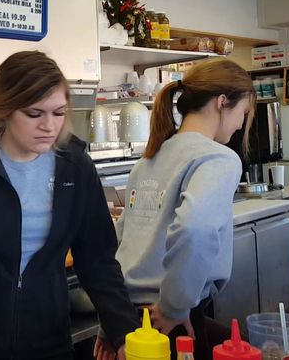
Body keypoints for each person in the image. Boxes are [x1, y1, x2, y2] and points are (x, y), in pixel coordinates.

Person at [0, 51, 139, 360]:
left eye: (58, 113)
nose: (49, 126)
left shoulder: (75, 168)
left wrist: (124, 332)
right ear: (3, 109)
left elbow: (98, 261)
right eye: (34, 114)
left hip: (49, 343)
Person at [106, 59, 255, 360]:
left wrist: (110, 322)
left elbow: (119, 243)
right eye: (243, 113)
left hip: (127, 318)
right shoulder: (218, 159)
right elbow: (194, 228)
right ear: (222, 102)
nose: (241, 124)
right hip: (167, 319)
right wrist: (175, 306)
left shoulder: (147, 160)